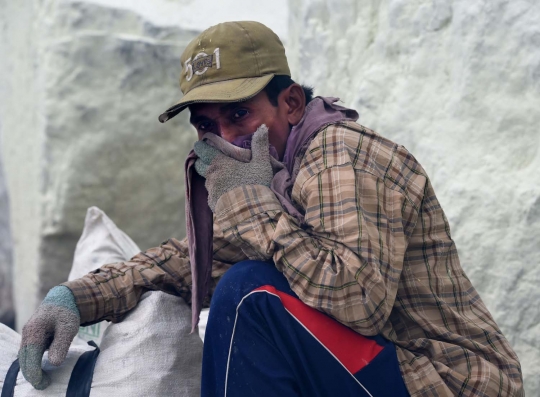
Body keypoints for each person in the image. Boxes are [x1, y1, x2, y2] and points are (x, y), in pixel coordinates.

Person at [18, 21, 523, 396]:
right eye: (207, 126)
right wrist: (77, 297)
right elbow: (194, 262)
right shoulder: (269, 177)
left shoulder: (339, 153)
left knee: (247, 294)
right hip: (384, 374)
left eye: (239, 114)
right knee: (241, 281)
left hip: (450, 379)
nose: (224, 138)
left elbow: (356, 302)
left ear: (292, 105)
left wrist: (249, 202)